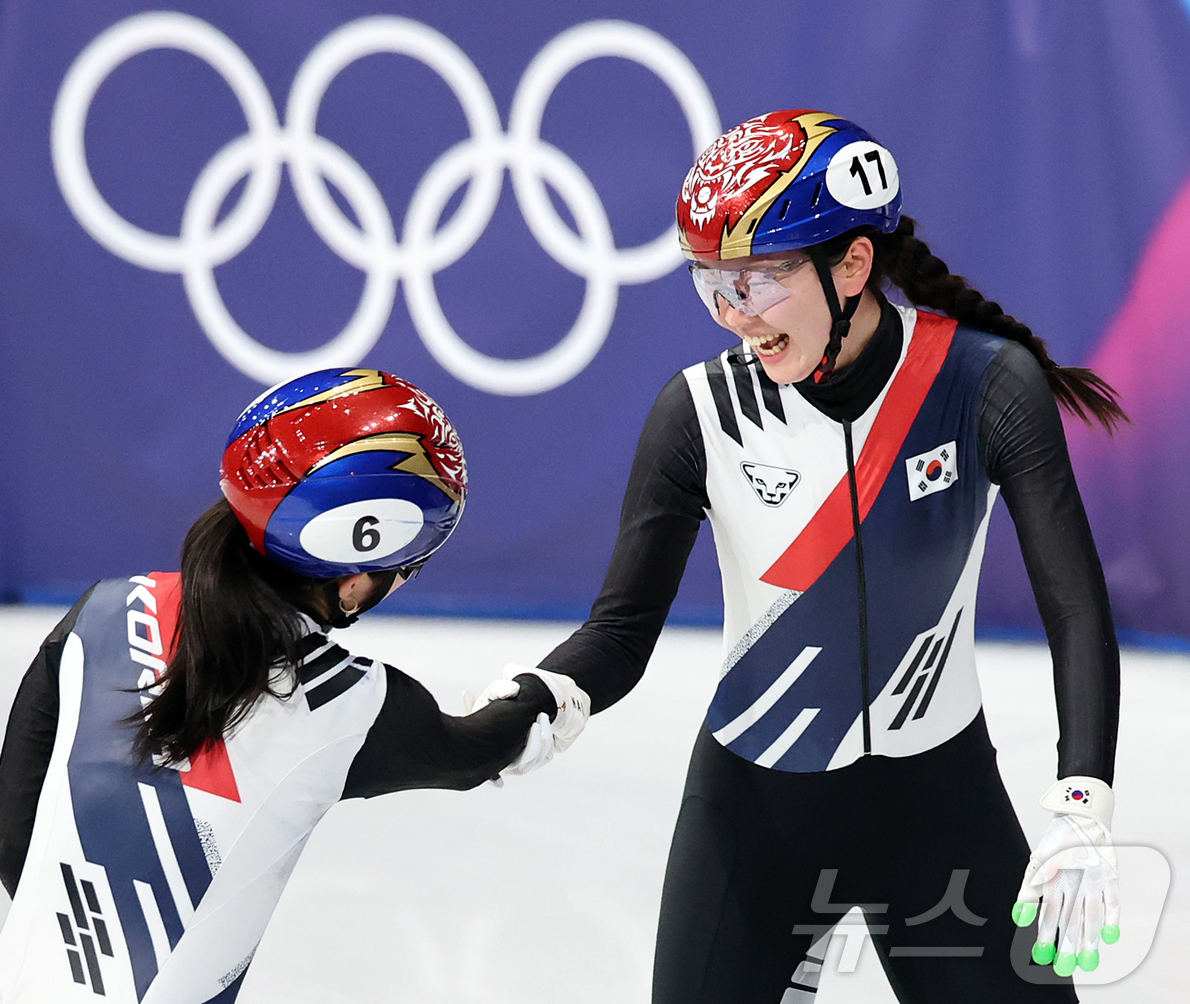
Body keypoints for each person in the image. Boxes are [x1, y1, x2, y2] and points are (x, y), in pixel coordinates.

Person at [478, 109, 1125, 1002]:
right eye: (712, 283)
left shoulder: (982, 383)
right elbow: (621, 632)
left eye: (758, 281)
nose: (733, 314)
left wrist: (1084, 800)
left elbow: (1076, 609)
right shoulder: (700, 414)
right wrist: (536, 699)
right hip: (756, 820)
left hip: (937, 811)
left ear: (852, 266)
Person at [0, 367, 589, 1004]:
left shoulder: (102, 609)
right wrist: (541, 694)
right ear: (353, 580)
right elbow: (476, 751)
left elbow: (11, 840)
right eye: (411, 567)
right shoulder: (349, 704)